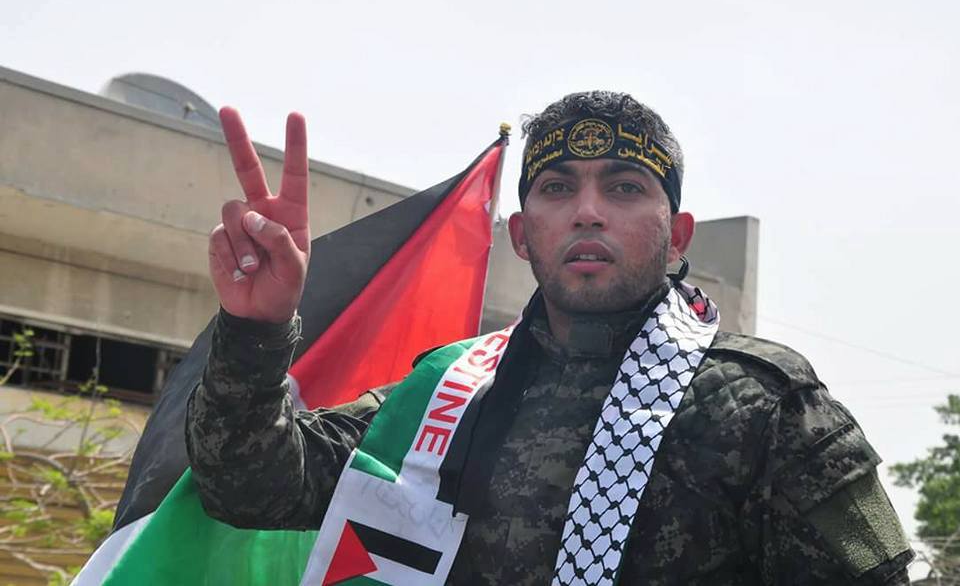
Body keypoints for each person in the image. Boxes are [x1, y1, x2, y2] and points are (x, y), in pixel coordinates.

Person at [187, 92, 914, 585]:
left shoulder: (764, 406)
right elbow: (248, 488)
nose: (588, 212)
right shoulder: (449, 390)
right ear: (520, 234)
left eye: (625, 187)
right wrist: (256, 329)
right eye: (558, 188)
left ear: (677, 235)